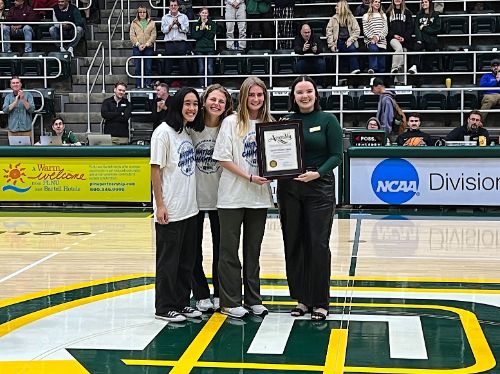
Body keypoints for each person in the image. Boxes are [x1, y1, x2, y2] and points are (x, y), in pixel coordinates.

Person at [277, 75, 342, 321]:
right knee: (294, 243)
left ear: (316, 94)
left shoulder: (328, 120)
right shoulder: (286, 122)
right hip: (290, 190)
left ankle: (321, 301)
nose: (304, 96)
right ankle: (302, 299)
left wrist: (318, 173)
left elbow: (337, 156)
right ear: (293, 96)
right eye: (299, 92)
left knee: (318, 244)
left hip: (320, 190)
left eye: (308, 91)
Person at [212, 76, 274, 319]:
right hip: (232, 196)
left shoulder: (270, 123)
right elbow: (223, 158)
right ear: (243, 96)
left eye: (260, 95)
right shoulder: (230, 122)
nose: (256, 99)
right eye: (251, 94)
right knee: (229, 250)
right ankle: (230, 300)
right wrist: (249, 177)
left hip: (259, 197)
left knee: (253, 250)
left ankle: (253, 298)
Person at [150, 87, 204, 323]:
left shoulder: (185, 132)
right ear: (178, 105)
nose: (192, 108)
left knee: (186, 261)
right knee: (168, 262)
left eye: (195, 104)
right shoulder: (163, 133)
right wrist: (160, 205)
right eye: (188, 103)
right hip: (170, 209)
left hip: (189, 208)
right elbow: (155, 170)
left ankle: (182, 302)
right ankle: (164, 306)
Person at [189, 84, 233, 313]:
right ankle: (200, 293)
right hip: (194, 198)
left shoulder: (229, 126)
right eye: (213, 99)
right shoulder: (190, 127)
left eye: (221, 101)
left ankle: (219, 292)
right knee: (193, 249)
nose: (216, 104)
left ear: (227, 106)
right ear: (204, 100)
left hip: (222, 198)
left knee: (221, 248)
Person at [326, 0, 361, 74]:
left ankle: (354, 69)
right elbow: (329, 33)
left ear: (342, 7)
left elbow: (357, 30)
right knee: (336, 55)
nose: (335, 7)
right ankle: (338, 76)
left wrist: (351, 39)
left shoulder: (351, 17)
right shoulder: (333, 18)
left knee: (352, 48)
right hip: (337, 42)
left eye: (337, 6)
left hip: (348, 40)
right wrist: (331, 45)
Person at [161, 0, 190, 82]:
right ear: (169, 7)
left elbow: (186, 30)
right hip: (169, 44)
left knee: (183, 64)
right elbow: (163, 30)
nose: (173, 7)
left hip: (181, 43)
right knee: (168, 65)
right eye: (171, 5)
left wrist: (178, 24)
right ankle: (167, 84)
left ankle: (185, 84)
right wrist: (171, 25)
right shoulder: (165, 17)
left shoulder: (184, 17)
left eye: (175, 5)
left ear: (178, 6)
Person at [409, 0, 441, 74]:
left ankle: (426, 73)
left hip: (431, 41)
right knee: (416, 47)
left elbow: (437, 29)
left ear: (430, 3)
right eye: (422, 2)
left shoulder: (435, 14)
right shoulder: (419, 15)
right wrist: (419, 39)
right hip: (422, 40)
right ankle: (414, 66)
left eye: (426, 2)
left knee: (428, 58)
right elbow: (416, 29)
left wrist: (424, 28)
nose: (424, 4)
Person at [129, 5, 156, 89]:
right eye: (140, 12)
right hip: (137, 47)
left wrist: (147, 44)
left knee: (148, 67)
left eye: (144, 12)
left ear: (146, 13)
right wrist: (138, 44)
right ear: (138, 13)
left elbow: (153, 36)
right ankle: (138, 84)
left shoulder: (152, 23)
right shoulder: (134, 23)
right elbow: (132, 35)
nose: (142, 14)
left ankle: (148, 83)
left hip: (148, 48)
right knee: (137, 67)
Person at [3, 76, 35, 144]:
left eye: (17, 82)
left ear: (21, 84)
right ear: (10, 85)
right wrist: (15, 101)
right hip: (12, 131)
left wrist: (23, 99)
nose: (15, 84)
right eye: (13, 83)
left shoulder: (28, 95)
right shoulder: (8, 97)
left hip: (26, 131)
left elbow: (32, 110)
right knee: (13, 153)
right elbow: (5, 110)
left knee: (27, 153)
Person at [386, 0, 414, 76]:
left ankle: (399, 82)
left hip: (404, 39)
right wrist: (394, 35)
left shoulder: (407, 13)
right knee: (399, 48)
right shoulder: (388, 13)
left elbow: (410, 28)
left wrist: (404, 37)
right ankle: (394, 67)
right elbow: (386, 28)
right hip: (393, 38)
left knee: (403, 51)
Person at [192, 8, 216, 87]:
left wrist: (204, 28)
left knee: (210, 68)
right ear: (200, 14)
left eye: (206, 13)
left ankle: (210, 85)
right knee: (201, 68)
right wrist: (202, 28)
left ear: (208, 14)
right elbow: (195, 36)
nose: (204, 15)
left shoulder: (212, 24)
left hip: (210, 48)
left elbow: (211, 36)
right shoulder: (195, 24)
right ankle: (202, 85)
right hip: (199, 48)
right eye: (203, 13)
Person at [362, 0, 388, 74]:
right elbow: (365, 30)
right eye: (375, 2)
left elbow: (385, 30)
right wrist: (372, 37)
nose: (377, 4)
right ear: (372, 4)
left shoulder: (383, 15)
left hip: (382, 41)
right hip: (371, 41)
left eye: (379, 2)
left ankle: (380, 82)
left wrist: (378, 37)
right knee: (374, 49)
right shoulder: (366, 16)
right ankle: (372, 69)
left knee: (382, 65)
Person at [479, 58, 500, 123]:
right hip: (489, 95)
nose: (496, 67)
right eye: (494, 66)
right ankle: (478, 124)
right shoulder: (486, 76)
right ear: (491, 68)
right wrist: (496, 81)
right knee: (489, 100)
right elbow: (482, 86)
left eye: (497, 66)